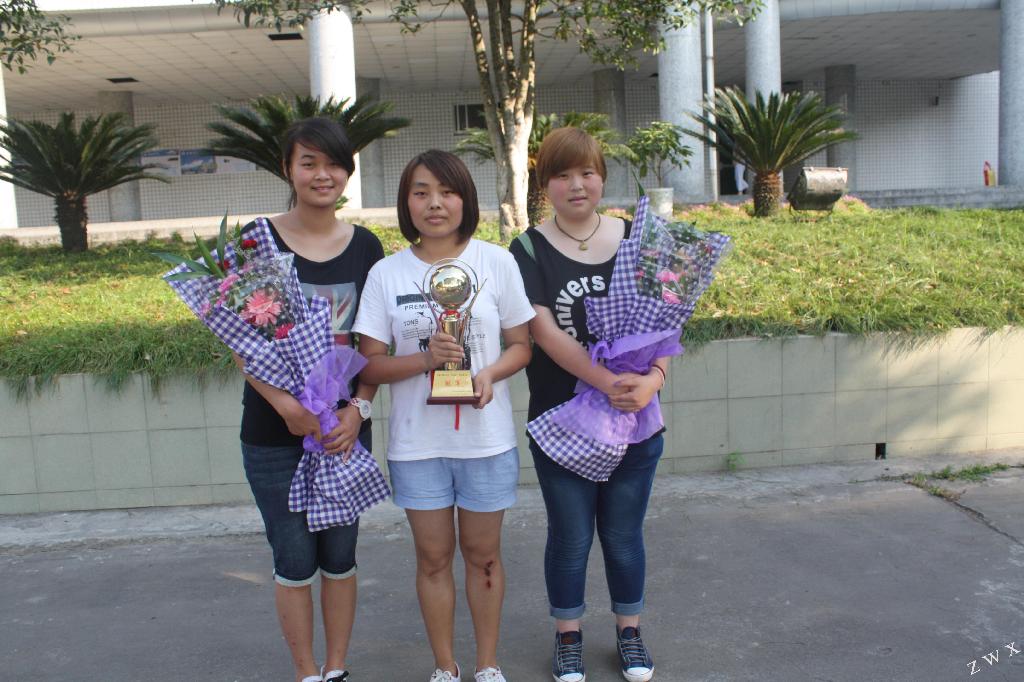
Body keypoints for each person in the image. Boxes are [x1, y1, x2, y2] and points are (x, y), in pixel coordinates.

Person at [353, 149, 534, 682]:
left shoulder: (496, 262)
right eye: (421, 192)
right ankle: (445, 667)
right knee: (432, 560)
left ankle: (487, 665)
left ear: (465, 199)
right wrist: (426, 359)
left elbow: (521, 345)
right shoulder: (386, 273)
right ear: (406, 202)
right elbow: (369, 363)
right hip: (418, 446)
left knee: (484, 556)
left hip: (486, 441)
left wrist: (489, 374)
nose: (435, 203)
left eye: (447, 192)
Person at [509, 127, 669, 682]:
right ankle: (568, 637)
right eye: (562, 175)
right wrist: (607, 381)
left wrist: (654, 379)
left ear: (602, 177)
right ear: (545, 184)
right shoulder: (527, 249)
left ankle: (630, 632)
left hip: (635, 420)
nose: (576, 185)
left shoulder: (635, 238)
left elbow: (666, 316)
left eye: (587, 172)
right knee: (570, 538)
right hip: (560, 423)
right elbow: (544, 332)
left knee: (623, 537)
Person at [238, 117, 385, 682]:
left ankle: (336, 667)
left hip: (344, 431)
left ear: (347, 172)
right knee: (295, 558)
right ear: (288, 169)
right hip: (275, 433)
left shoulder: (366, 245)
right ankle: (306, 672)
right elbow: (241, 342)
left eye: (334, 164)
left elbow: (373, 344)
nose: (323, 175)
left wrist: (359, 409)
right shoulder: (257, 240)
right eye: (309, 163)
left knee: (340, 556)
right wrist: (287, 408)